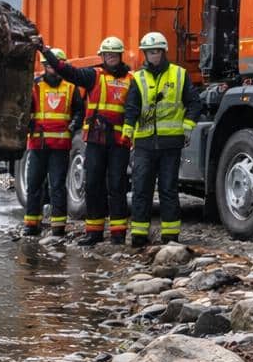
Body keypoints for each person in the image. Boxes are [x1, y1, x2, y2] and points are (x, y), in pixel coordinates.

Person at [45, 37, 134, 245]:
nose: (110, 57)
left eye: (114, 54)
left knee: (117, 186)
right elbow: (67, 71)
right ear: (102, 56)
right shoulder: (93, 75)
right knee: (93, 185)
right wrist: (46, 52)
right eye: (107, 54)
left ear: (120, 56)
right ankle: (93, 232)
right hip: (95, 140)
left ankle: (118, 234)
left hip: (119, 142)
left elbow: (134, 109)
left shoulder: (132, 80)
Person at [122, 31, 202, 246]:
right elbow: (131, 108)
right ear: (145, 54)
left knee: (168, 188)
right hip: (144, 144)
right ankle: (139, 235)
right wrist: (127, 130)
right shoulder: (138, 78)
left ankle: (170, 236)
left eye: (156, 51)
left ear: (163, 52)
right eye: (149, 52)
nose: (153, 55)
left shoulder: (179, 74)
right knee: (141, 188)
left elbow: (195, 103)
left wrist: (187, 126)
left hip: (170, 143)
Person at [22, 50, 84, 237]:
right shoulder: (34, 86)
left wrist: (74, 126)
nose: (52, 69)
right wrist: (28, 123)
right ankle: (31, 225)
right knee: (34, 184)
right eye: (48, 65)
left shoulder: (71, 87)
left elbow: (80, 111)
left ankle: (58, 227)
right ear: (44, 66)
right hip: (38, 144)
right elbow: (24, 108)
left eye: (55, 65)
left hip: (60, 146)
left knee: (57, 185)